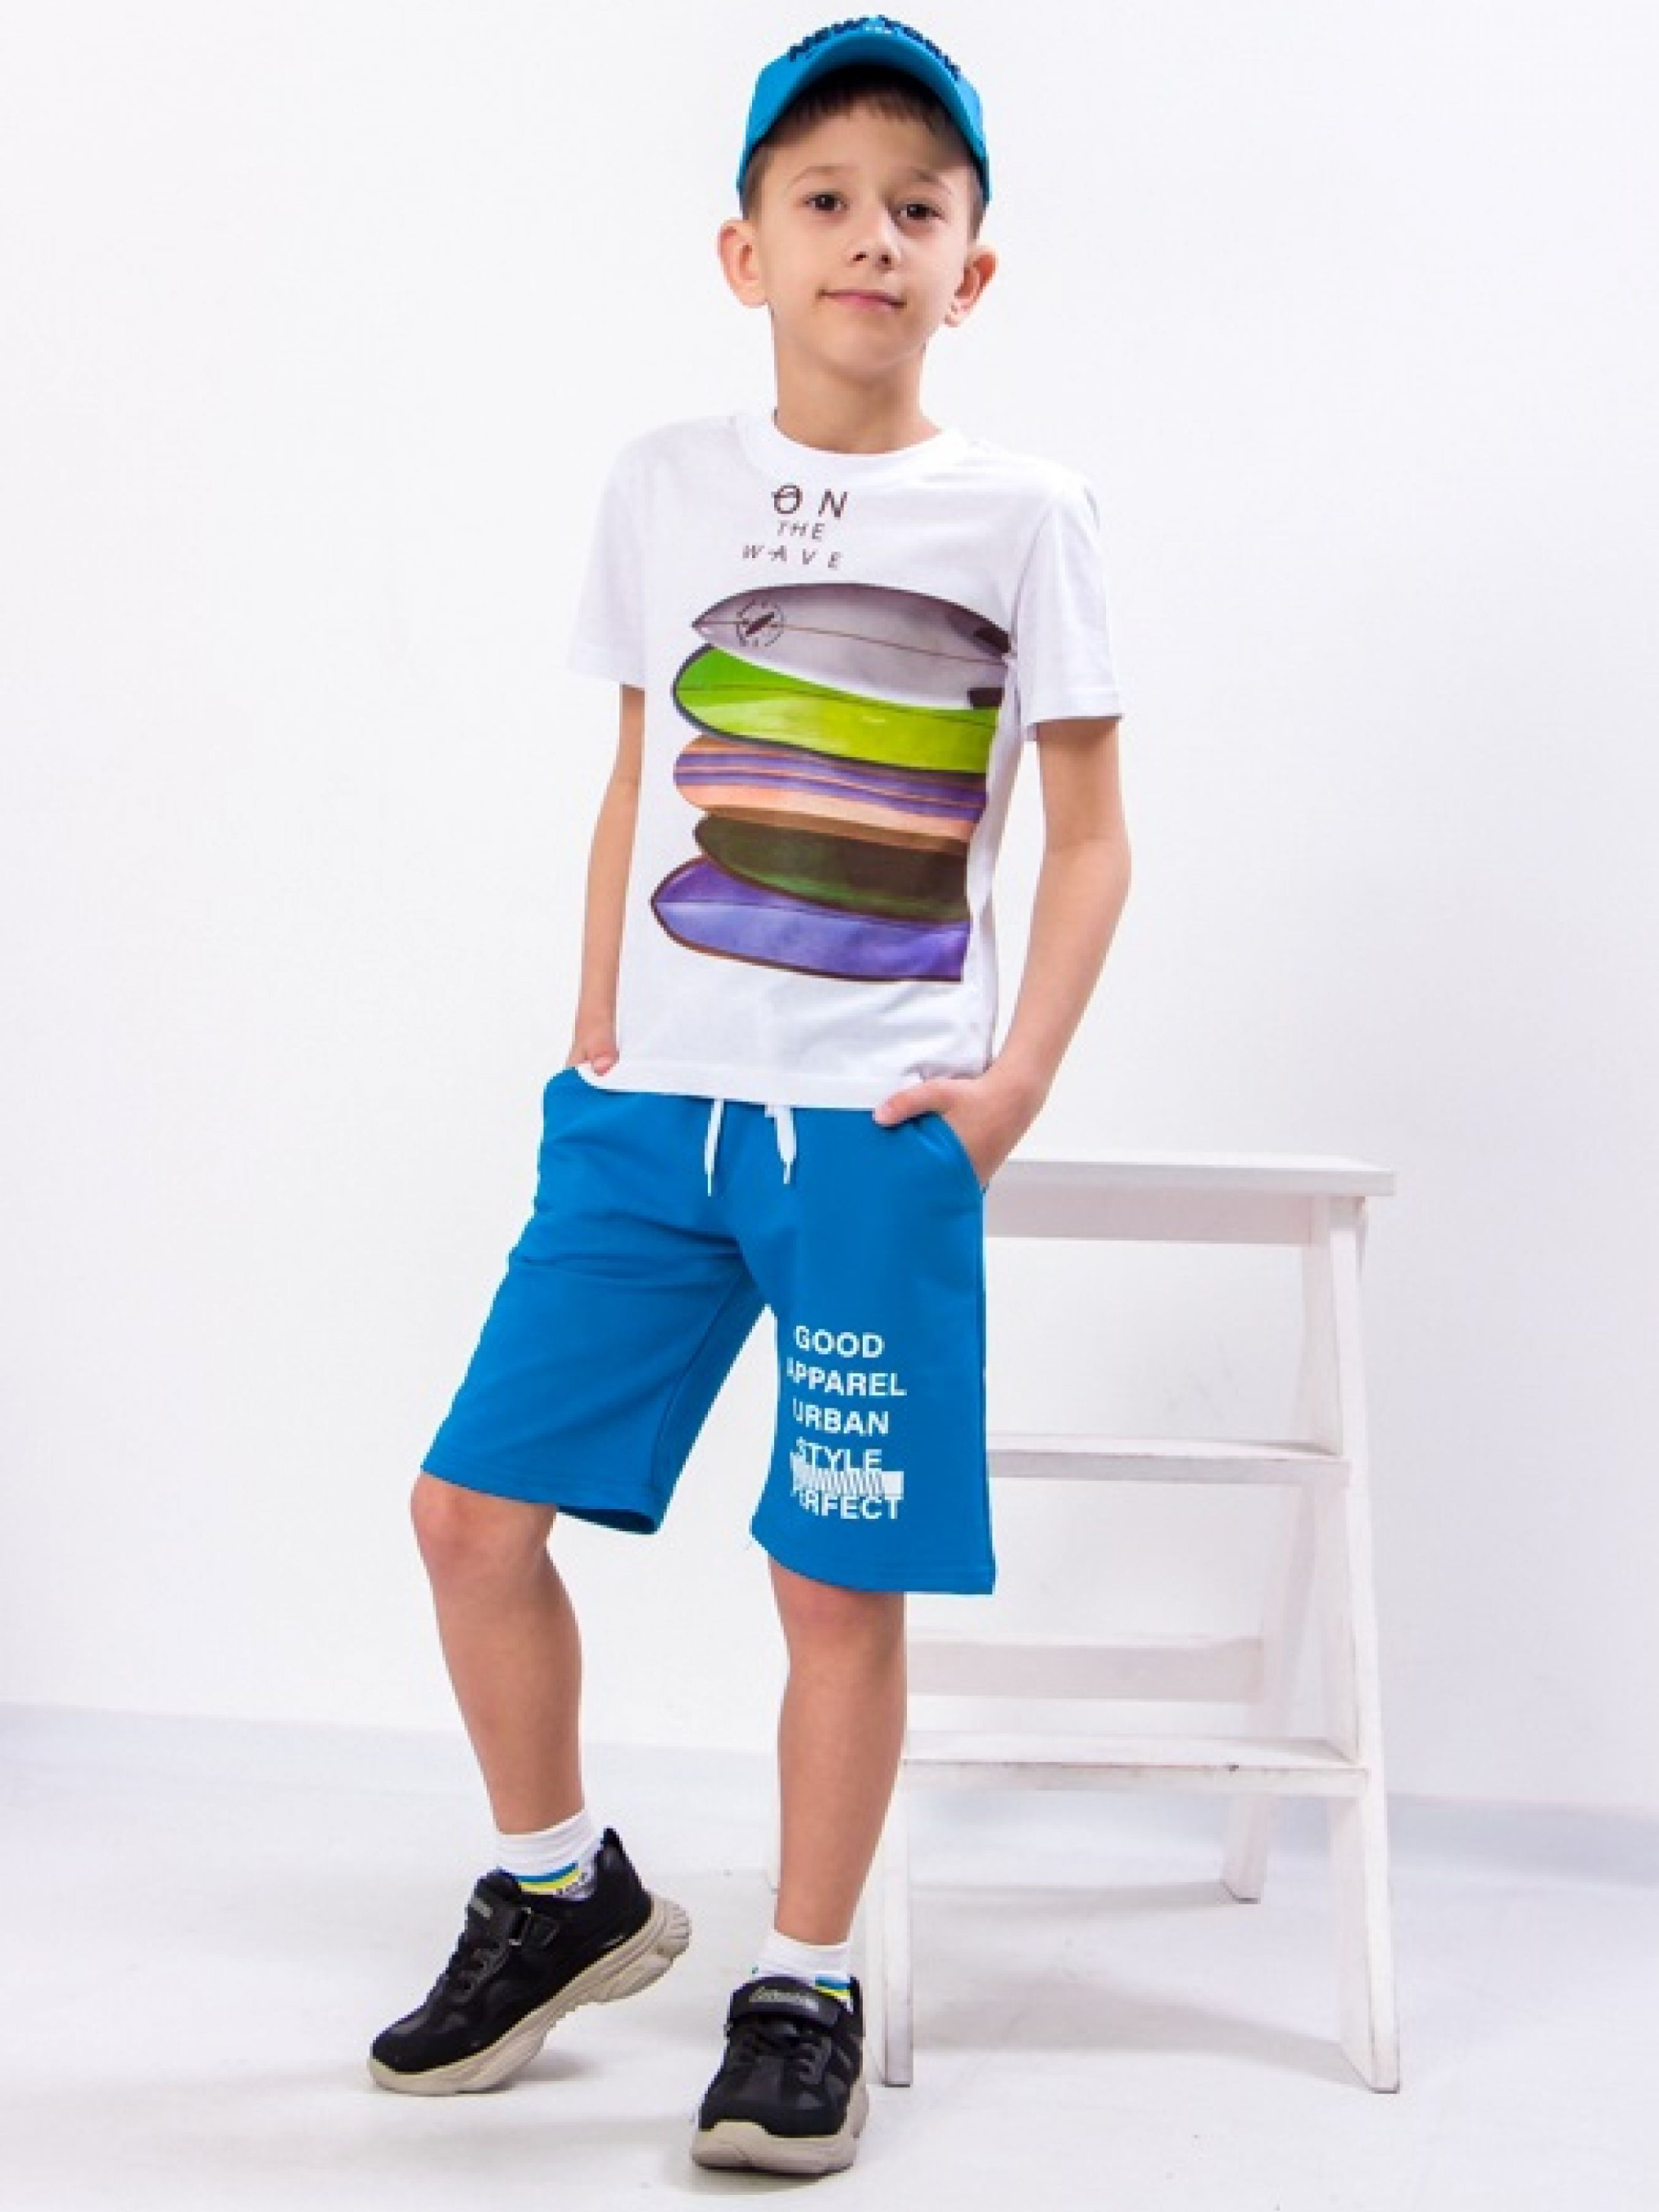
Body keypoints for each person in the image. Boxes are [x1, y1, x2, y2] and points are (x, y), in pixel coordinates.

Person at [366, 13, 1131, 2180]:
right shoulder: (660, 486)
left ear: (971, 267)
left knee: (829, 1577)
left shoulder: (1027, 514)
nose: (870, 235)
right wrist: (591, 1028)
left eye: (917, 206)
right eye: (825, 200)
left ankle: (804, 1982)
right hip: (643, 1121)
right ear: (746, 251)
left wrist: (1011, 1085)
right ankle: (558, 1891)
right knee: (468, 1515)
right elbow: (634, 772)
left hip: (873, 1139)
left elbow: (1092, 834)